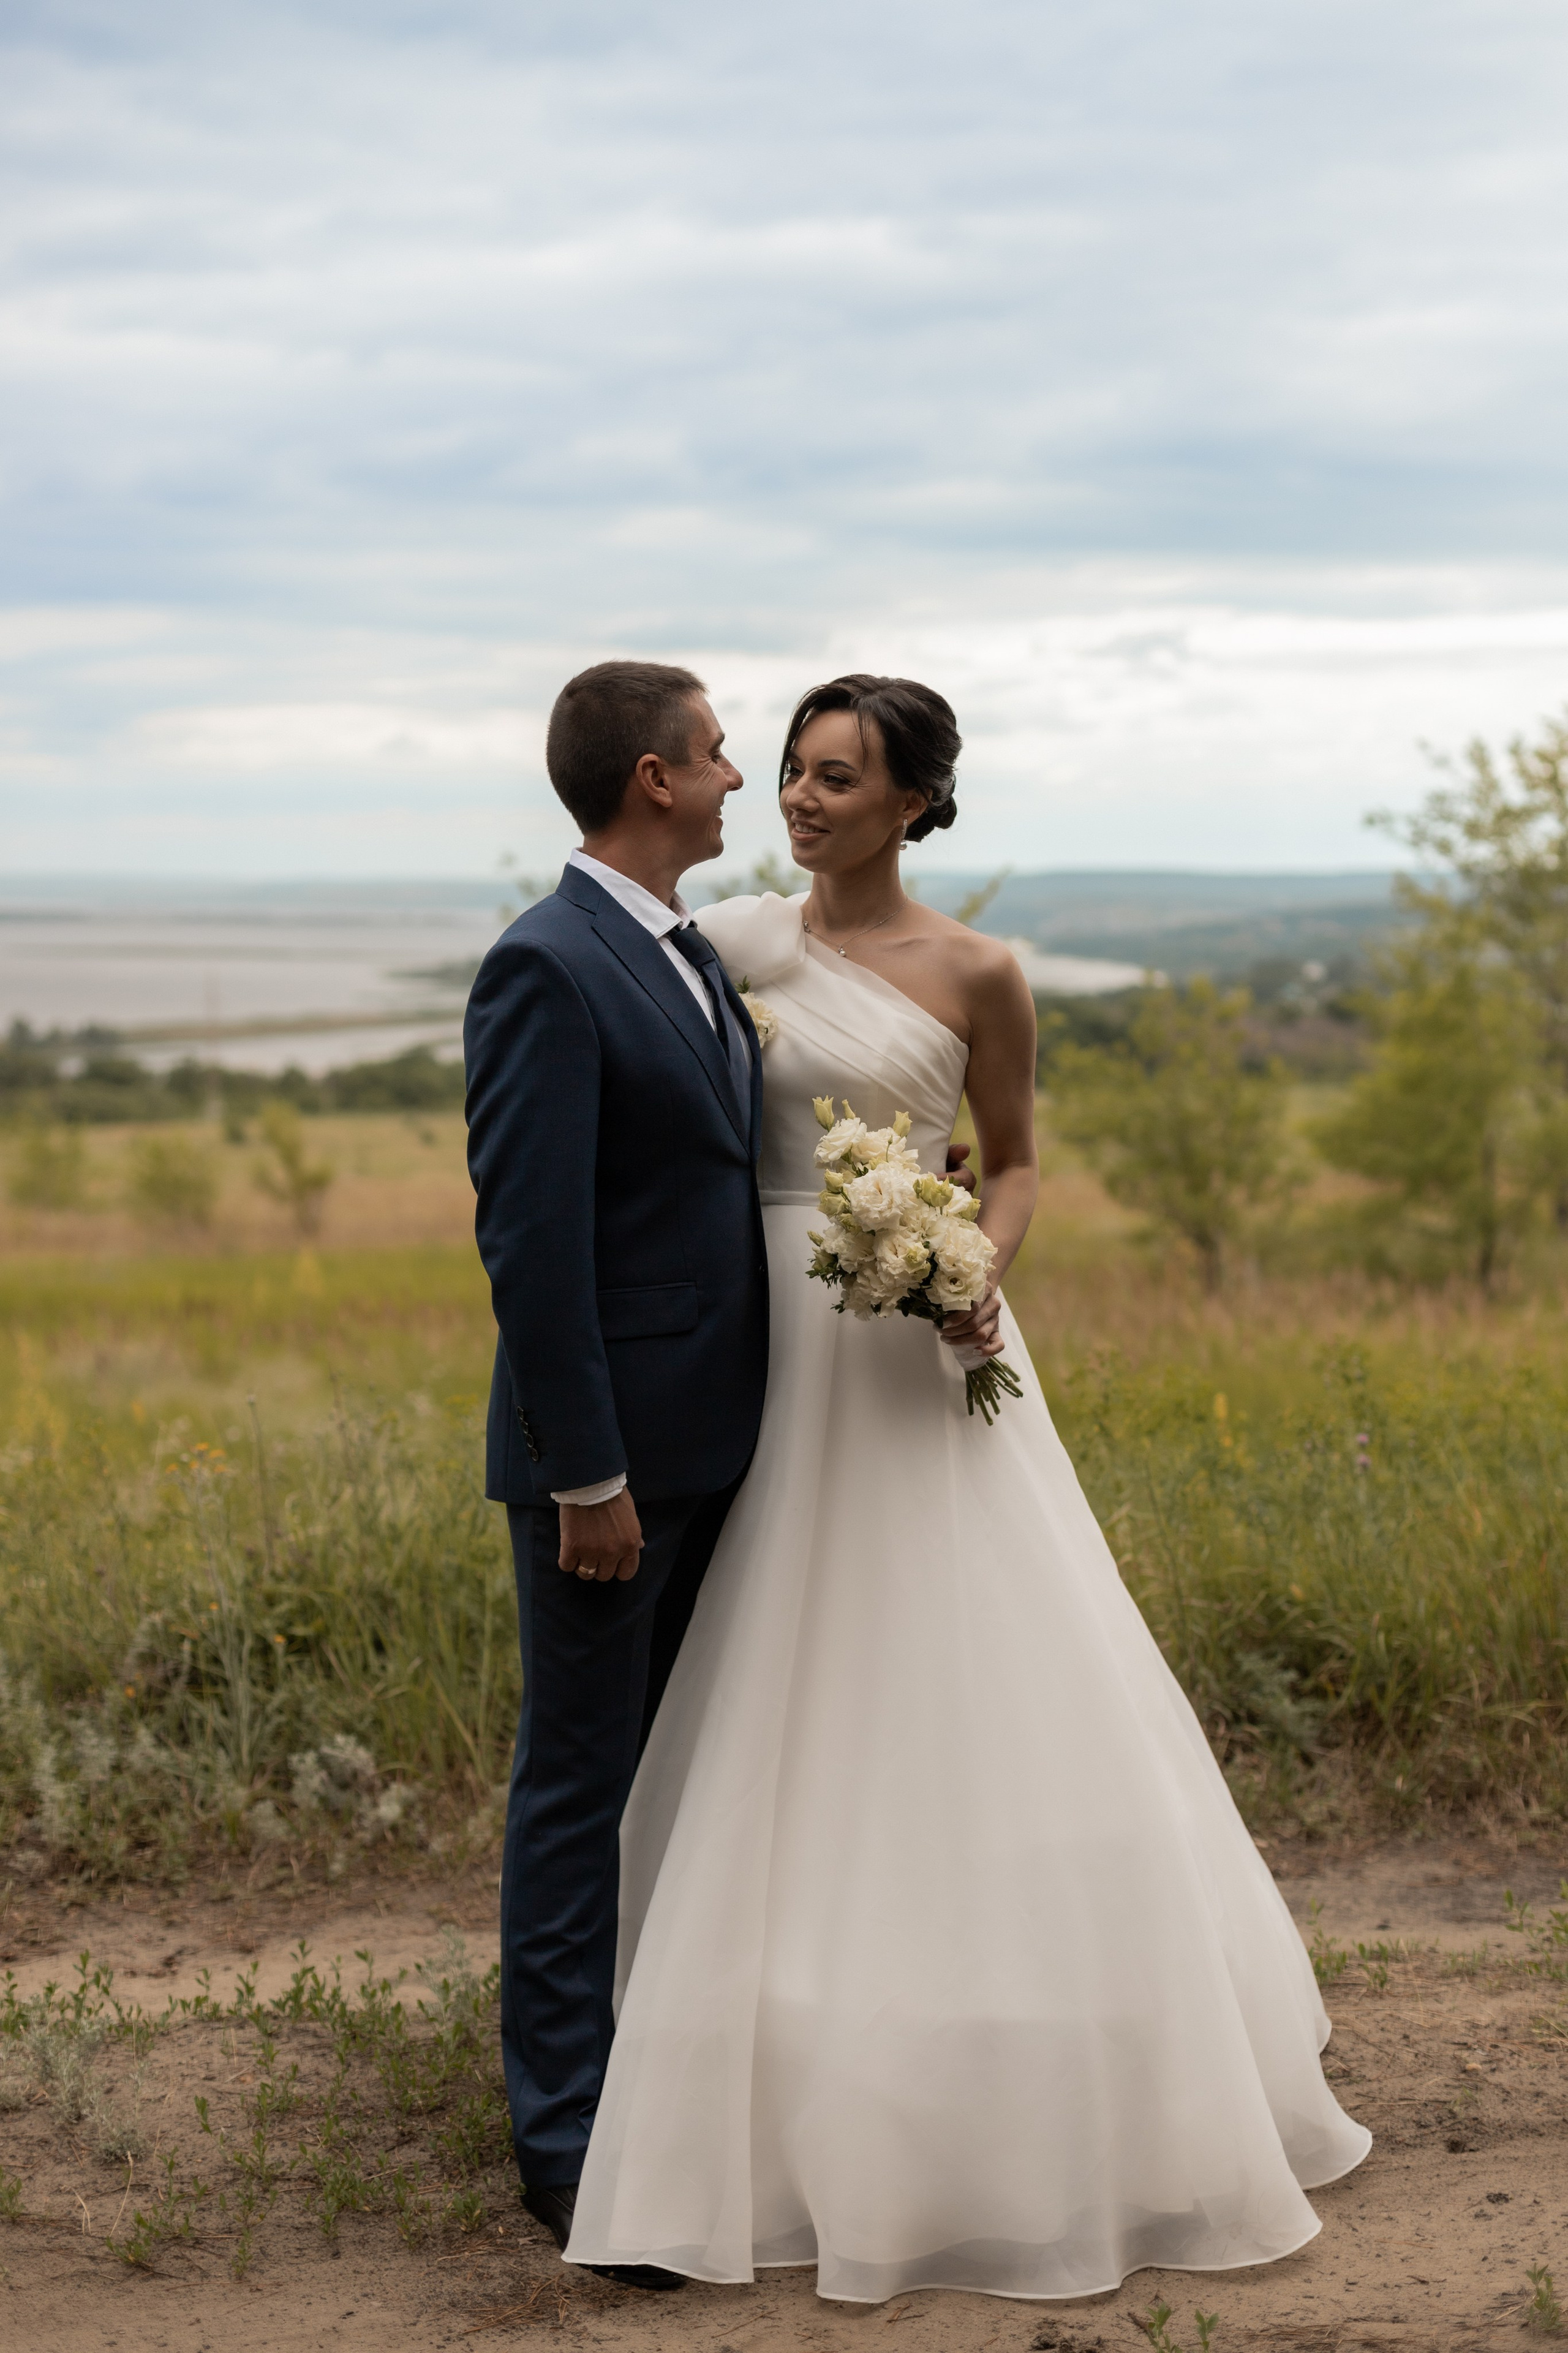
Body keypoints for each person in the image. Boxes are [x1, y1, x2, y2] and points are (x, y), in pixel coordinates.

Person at [564, 672, 1371, 2305]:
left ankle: (1027, 2034)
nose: (800, 797)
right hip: (773, 1362)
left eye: (839, 777)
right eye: (788, 770)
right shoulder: (728, 955)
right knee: (789, 1687)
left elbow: (1010, 1162)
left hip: (925, 1356)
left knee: (978, 1675)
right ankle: (762, 2043)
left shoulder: (983, 971)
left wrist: (969, 1263)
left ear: (919, 798)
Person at [463, 660, 769, 2292]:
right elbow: (533, 1243)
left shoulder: (691, 951)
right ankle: (570, 2148)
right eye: (719, 754)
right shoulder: (547, 963)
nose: (739, 778)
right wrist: (588, 1472)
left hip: (721, 1449)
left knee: (674, 1780)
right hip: (612, 1474)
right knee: (581, 1788)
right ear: (654, 780)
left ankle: (670, 2075)